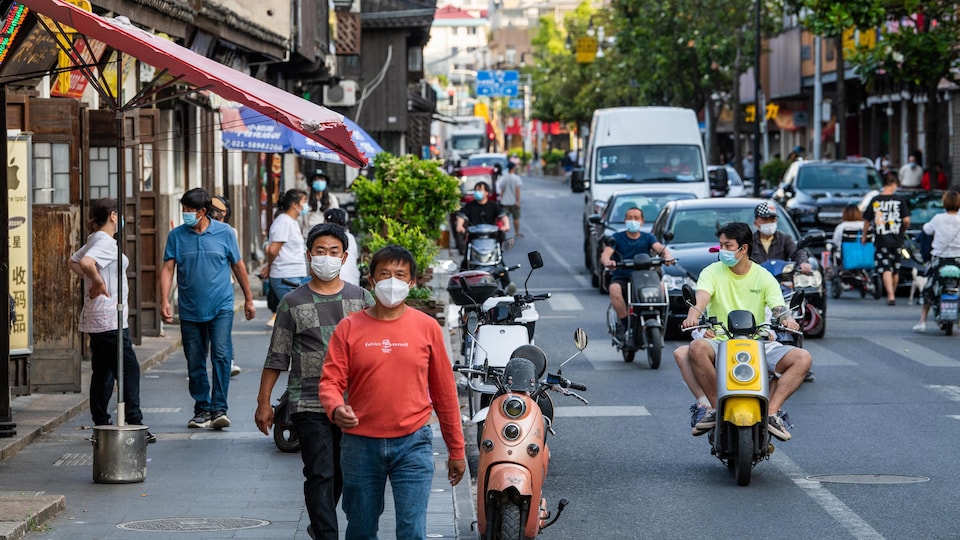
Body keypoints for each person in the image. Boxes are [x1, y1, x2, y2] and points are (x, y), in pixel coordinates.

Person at [319, 245, 466, 539]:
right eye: (384, 274)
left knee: (412, 531)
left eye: (400, 275)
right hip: (360, 446)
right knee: (360, 529)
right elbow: (330, 381)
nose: (392, 281)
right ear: (371, 281)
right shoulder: (349, 328)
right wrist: (336, 408)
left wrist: (456, 449)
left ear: (412, 282)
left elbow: (445, 394)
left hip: (414, 444)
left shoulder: (427, 328)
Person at [256, 223, 374, 539]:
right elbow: (277, 354)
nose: (326, 258)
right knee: (319, 471)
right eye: (320, 252)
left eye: (333, 252)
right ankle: (325, 533)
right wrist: (263, 401)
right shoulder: (292, 302)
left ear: (344, 256)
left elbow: (379, 349)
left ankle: (320, 520)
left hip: (353, 403)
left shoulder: (362, 299)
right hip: (307, 400)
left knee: (343, 473)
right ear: (309, 256)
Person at [682, 222, 811, 441]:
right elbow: (702, 296)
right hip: (721, 340)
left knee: (803, 358)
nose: (722, 249)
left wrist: (788, 319)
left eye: (728, 245)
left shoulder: (763, 276)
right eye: (721, 244)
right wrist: (693, 314)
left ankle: (771, 413)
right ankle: (715, 408)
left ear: (743, 249)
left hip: (758, 341)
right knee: (696, 348)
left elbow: (778, 308)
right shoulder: (711, 272)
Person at [160, 187, 256, 429]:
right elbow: (168, 269)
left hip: (221, 306)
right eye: (183, 210)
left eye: (189, 211)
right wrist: (164, 301)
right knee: (195, 360)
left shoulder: (224, 233)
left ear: (203, 212)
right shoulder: (176, 236)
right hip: (190, 309)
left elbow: (239, 266)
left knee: (221, 356)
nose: (185, 215)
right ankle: (202, 408)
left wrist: (249, 299)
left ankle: (219, 408)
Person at [69, 198, 155, 443]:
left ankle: (101, 421)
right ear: (114, 216)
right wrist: (97, 281)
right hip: (109, 318)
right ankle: (135, 422)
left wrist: (94, 279)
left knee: (104, 371)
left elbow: (74, 262)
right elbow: (84, 263)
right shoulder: (104, 241)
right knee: (128, 369)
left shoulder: (94, 238)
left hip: (99, 316)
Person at [599, 206, 673, 340]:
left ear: (642, 221)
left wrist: (667, 256)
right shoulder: (616, 238)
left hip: (644, 278)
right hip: (623, 277)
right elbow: (606, 254)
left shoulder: (648, 237)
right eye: (630, 218)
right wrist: (608, 262)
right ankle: (624, 325)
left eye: (636, 218)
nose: (633, 221)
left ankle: (657, 318)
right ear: (625, 220)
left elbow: (661, 249)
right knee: (614, 289)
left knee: (661, 286)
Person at [261, 189, 310, 327]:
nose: (306, 205)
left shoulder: (292, 221)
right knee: (299, 315)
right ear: (294, 204)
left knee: (298, 315)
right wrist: (269, 267)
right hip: (286, 275)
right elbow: (273, 250)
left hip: (294, 274)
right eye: (304, 202)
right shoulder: (283, 222)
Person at [913, 191, 960, 332]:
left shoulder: (937, 218)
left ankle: (922, 321)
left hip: (939, 259)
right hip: (958, 259)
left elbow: (926, 230)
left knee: (930, 287)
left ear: (944, 204)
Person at [863, 171, 911, 305]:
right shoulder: (899, 200)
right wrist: (903, 229)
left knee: (885, 267)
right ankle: (892, 293)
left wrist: (863, 236)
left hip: (881, 239)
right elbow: (906, 220)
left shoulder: (875, 200)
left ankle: (890, 295)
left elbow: (867, 220)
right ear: (894, 184)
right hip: (897, 239)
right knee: (895, 268)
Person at [210, 196, 242, 378]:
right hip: (203, 286)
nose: (217, 212)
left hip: (223, 285)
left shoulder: (230, 232)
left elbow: (236, 262)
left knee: (223, 327)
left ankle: (228, 361)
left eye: (220, 210)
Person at [750, 201, 813, 273]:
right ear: (756, 223)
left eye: (772, 219)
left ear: (776, 220)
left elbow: (797, 252)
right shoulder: (749, 242)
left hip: (782, 280)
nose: (769, 223)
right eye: (765, 220)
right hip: (757, 281)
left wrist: (803, 263)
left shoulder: (784, 239)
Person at [321, 208, 361, 286]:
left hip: (336, 285)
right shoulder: (350, 237)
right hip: (354, 283)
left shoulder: (325, 239)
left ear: (326, 222)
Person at [300, 170, 340, 239]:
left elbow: (337, 217)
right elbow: (300, 218)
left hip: (326, 233)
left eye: (322, 179)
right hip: (309, 234)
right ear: (311, 182)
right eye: (316, 179)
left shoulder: (331, 198)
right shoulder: (305, 200)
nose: (319, 182)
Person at [497, 161, 524, 238]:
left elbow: (502, 190)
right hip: (513, 201)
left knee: (504, 218)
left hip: (505, 201)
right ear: (513, 168)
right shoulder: (516, 178)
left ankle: (503, 233)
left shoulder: (504, 178)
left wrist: (501, 200)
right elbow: (517, 190)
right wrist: (518, 201)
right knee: (516, 218)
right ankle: (517, 232)